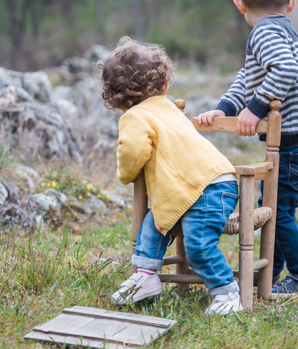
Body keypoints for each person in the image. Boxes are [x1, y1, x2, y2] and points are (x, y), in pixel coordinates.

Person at [196, 0, 298, 296]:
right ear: (292, 2)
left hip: (297, 141)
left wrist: (255, 109)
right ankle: (271, 276)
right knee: (280, 208)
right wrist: (225, 108)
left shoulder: (263, 33)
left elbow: (283, 71)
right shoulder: (283, 29)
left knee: (276, 211)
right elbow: (250, 76)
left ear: (239, 3)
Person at [102, 37, 244, 315]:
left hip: (207, 186)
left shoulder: (134, 117)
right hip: (204, 184)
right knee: (154, 223)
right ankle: (147, 274)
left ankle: (227, 292)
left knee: (198, 244)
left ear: (116, 99)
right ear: (163, 84)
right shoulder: (167, 107)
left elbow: (133, 151)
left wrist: (125, 174)